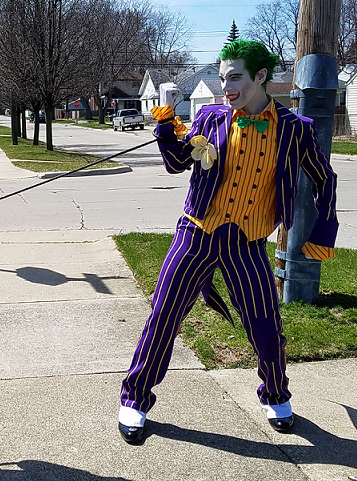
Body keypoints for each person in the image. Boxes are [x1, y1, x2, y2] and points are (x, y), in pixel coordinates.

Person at [118, 39, 339, 445]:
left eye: (235, 76)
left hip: (249, 243)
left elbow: (326, 179)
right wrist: (166, 124)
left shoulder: (295, 129)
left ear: (260, 77)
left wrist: (323, 231)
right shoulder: (209, 119)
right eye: (222, 78)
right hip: (196, 234)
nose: (227, 86)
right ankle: (135, 397)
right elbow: (176, 164)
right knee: (163, 316)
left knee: (265, 326)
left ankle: (274, 394)